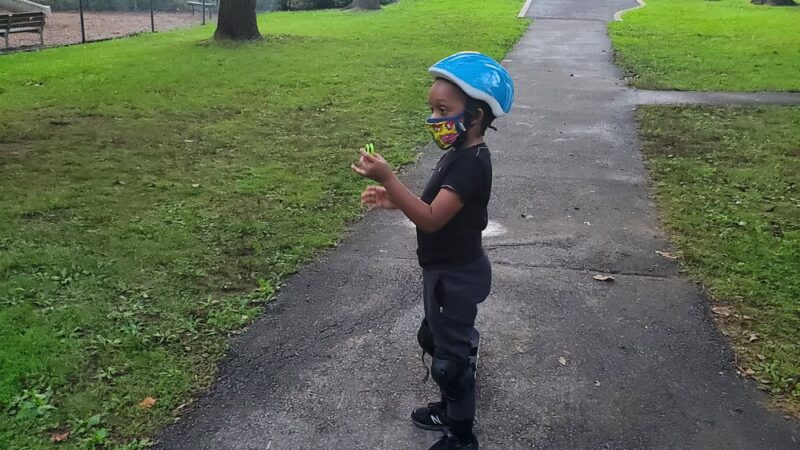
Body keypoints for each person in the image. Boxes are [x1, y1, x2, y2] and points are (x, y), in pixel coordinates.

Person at [351, 51, 514, 450]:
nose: (435, 119)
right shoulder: (459, 154)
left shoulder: (472, 164)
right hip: (445, 271)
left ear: (475, 116)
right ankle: (461, 360)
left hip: (456, 276)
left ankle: (460, 435)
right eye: (432, 109)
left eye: (444, 110)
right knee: (435, 338)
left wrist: (389, 177)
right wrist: (392, 198)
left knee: (448, 363)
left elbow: (430, 219)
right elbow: (433, 206)